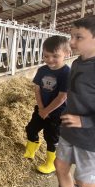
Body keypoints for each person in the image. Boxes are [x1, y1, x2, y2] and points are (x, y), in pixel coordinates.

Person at [55, 14, 95, 187]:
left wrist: (85, 121)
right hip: (70, 129)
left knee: (86, 182)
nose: (71, 42)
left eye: (78, 37)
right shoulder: (77, 63)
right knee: (60, 167)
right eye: (71, 36)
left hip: (94, 137)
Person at [24, 35, 71, 174]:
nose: (50, 60)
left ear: (67, 54)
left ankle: (51, 163)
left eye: (55, 56)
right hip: (41, 109)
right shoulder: (42, 70)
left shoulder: (66, 73)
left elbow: (62, 97)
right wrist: (41, 108)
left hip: (57, 113)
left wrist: (47, 111)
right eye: (46, 56)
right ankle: (32, 148)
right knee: (31, 129)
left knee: (51, 137)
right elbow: (37, 89)